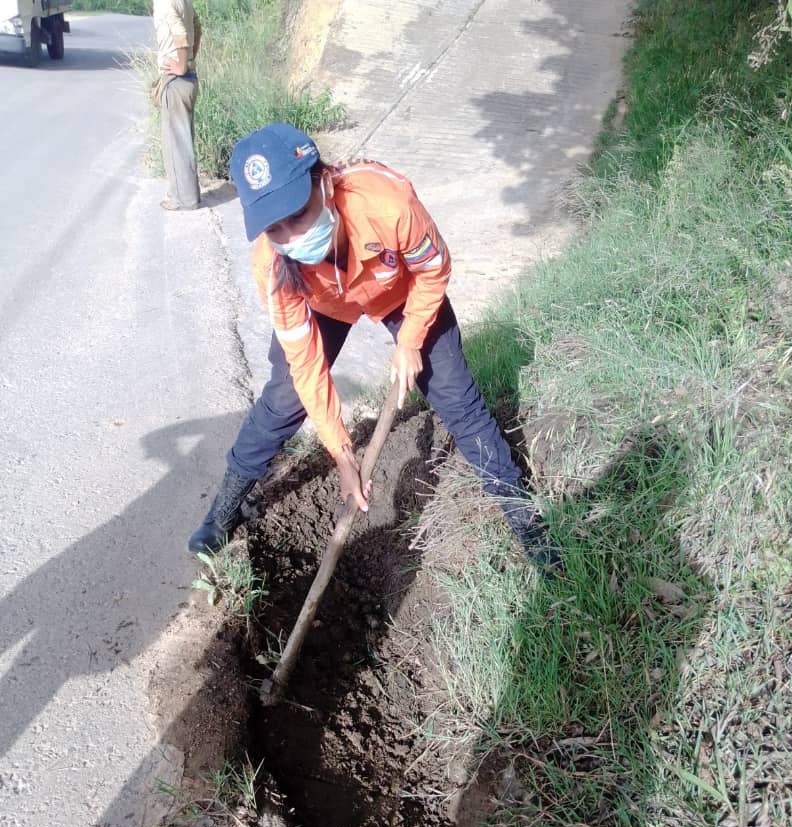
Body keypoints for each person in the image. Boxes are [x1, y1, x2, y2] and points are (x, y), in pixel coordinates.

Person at [189, 123, 559, 568]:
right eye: (274, 228)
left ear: (323, 182)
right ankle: (221, 513)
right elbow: (307, 367)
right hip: (324, 302)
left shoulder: (388, 204)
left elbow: (434, 269)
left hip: (401, 290)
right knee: (283, 399)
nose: (291, 236)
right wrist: (342, 453)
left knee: (457, 399)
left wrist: (410, 338)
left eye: (299, 214)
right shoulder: (273, 266)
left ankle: (525, 518)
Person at [153, 0, 202, 211]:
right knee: (184, 143)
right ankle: (191, 196)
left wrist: (181, 66)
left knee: (175, 146)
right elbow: (197, 27)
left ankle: (182, 199)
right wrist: (189, 60)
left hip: (176, 81)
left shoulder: (163, 2)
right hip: (189, 80)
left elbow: (180, 32)